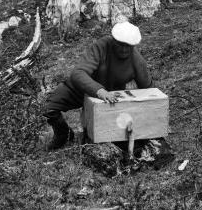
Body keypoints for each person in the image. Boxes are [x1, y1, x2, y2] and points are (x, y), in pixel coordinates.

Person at [42, 21, 153, 150]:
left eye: (128, 46)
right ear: (113, 40)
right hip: (81, 89)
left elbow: (149, 88)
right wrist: (99, 91)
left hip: (109, 99)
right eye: (120, 45)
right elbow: (78, 73)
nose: (124, 49)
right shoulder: (101, 46)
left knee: (104, 135)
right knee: (48, 108)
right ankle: (63, 134)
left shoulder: (136, 60)